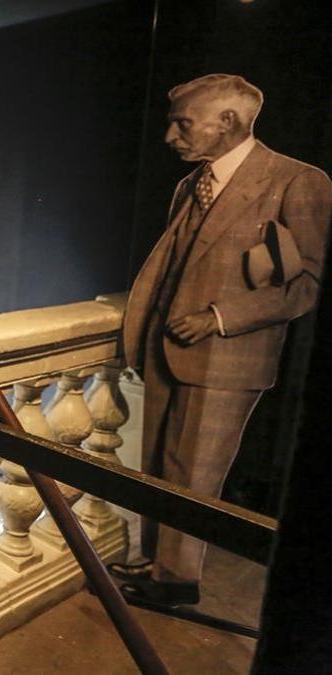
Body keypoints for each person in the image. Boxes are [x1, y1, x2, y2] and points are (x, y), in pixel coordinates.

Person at [117, 74, 332, 605]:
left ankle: (176, 581)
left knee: (194, 475)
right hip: (167, 352)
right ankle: (157, 563)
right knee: (159, 468)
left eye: (183, 123)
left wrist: (218, 316)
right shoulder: (190, 185)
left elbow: (308, 281)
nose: (171, 136)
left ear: (229, 122)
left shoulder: (297, 180)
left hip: (227, 357)